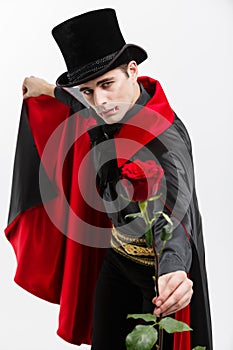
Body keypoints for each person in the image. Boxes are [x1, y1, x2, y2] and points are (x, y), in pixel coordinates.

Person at [6, 8, 212, 350]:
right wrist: (47, 90)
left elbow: (178, 213)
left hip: (157, 277)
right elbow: (84, 107)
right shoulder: (104, 104)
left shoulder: (166, 140)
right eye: (88, 90)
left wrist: (173, 270)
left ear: (132, 71)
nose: (100, 101)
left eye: (106, 84)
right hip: (116, 261)